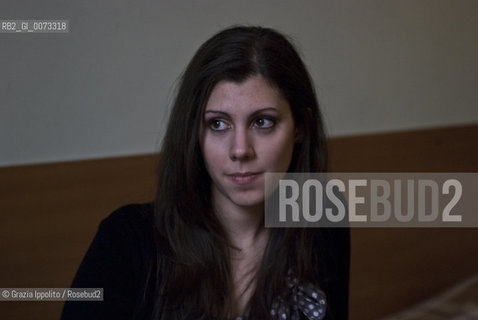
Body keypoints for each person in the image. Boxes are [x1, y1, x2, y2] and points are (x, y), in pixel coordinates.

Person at [61, 25, 350, 320]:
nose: (240, 150)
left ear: (300, 126)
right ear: (194, 133)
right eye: (218, 124)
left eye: (263, 122)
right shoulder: (125, 241)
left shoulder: (323, 219)